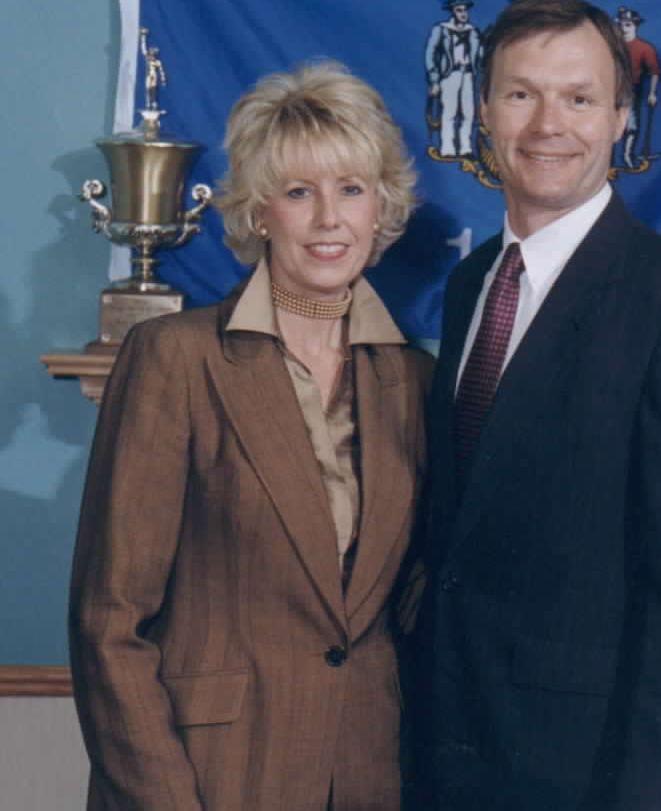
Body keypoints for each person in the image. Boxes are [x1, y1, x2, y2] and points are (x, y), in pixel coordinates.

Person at [413, 0, 661, 811]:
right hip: (443, 753)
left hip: (585, 775)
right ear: (485, 111)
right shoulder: (471, 284)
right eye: (522, 93)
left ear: (618, 117)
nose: (547, 125)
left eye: (578, 98)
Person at [69, 61, 430, 811]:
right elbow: (111, 622)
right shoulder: (176, 358)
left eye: (352, 190)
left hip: (369, 779)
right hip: (211, 777)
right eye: (301, 192)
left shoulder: (415, 383)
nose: (330, 218)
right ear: (261, 211)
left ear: (382, 208)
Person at [425, 0, 483, 159]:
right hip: (450, 74)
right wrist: (434, 79)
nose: (463, 13)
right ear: (453, 12)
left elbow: (479, 54)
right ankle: (447, 148)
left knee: (468, 113)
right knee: (449, 112)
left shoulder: (473, 31)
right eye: (459, 10)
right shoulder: (441, 29)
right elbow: (430, 54)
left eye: (464, 10)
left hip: (468, 74)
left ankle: (465, 147)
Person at [614, 7, 660, 168]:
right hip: (609, 89)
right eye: (621, 25)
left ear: (635, 26)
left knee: (631, 124)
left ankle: (627, 155)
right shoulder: (610, 46)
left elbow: (654, 72)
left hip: (632, 89)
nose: (624, 29)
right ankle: (606, 162)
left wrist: (652, 93)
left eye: (627, 25)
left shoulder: (645, 48)